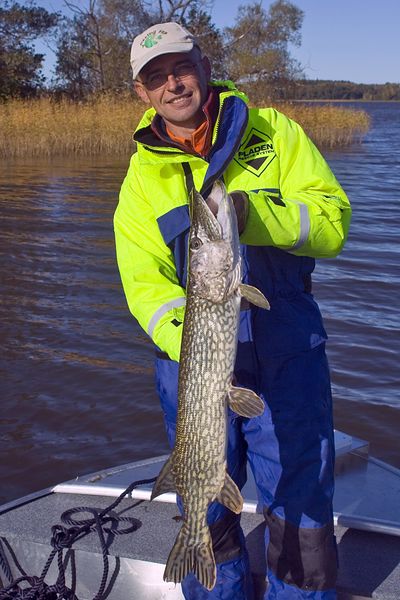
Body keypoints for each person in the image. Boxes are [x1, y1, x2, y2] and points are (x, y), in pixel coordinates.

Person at [114, 21, 351, 600]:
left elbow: (333, 222)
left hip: (287, 352)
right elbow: (145, 285)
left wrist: (254, 216)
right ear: (143, 93)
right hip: (192, 366)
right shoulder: (142, 180)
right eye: (156, 78)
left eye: (181, 68)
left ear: (202, 64)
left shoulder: (274, 132)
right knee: (205, 504)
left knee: (301, 508)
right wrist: (192, 343)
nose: (173, 84)